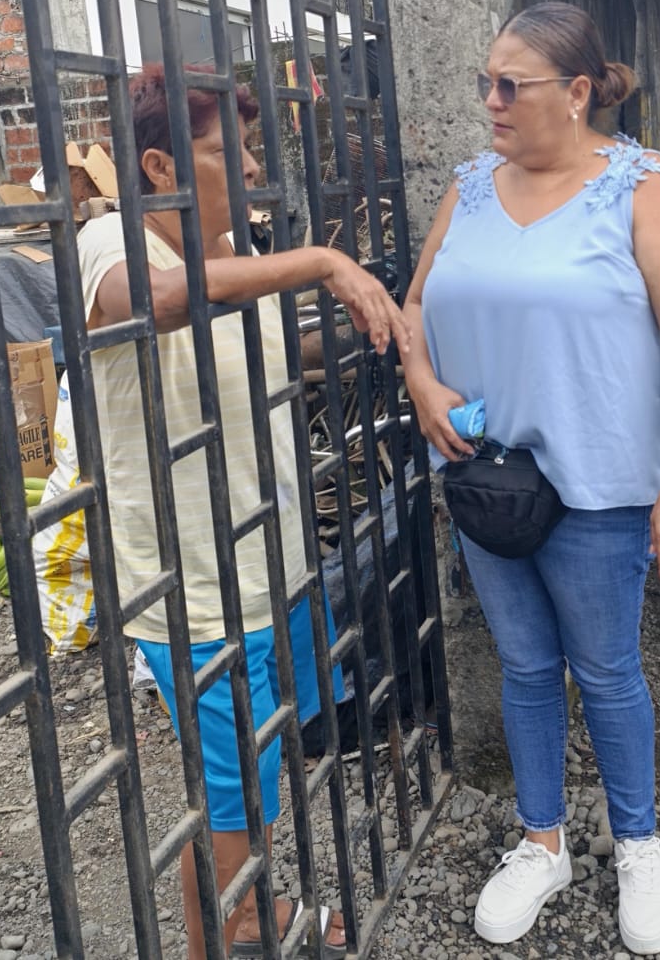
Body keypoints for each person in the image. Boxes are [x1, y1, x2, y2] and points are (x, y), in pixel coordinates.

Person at [63, 64, 410, 959]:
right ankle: (215, 938)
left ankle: (251, 911)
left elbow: (269, 354)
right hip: (196, 579)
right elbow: (153, 304)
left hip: (269, 556)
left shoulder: (228, 256)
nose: (253, 166)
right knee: (226, 787)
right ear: (157, 166)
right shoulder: (110, 242)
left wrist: (384, 323)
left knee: (259, 764)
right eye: (233, 150)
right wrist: (325, 262)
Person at [402, 2, 660, 954]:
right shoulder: (469, 187)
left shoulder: (643, 185)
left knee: (608, 671)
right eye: (486, 83)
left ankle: (637, 845)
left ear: (578, 92)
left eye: (512, 85)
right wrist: (422, 385)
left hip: (598, 487)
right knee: (527, 667)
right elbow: (414, 306)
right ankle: (542, 843)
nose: (491, 102)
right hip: (489, 483)